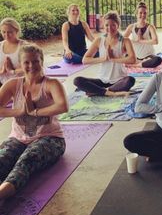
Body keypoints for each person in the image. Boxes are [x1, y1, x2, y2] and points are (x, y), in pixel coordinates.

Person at [0, 44, 68, 200]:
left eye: (36, 61)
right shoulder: (12, 85)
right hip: (18, 138)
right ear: (20, 64)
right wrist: (19, 111)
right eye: (27, 62)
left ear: (42, 61)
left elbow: (63, 106)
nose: (31, 66)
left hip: (50, 138)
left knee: (25, 162)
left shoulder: (51, 84)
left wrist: (35, 111)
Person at [73, 11, 136, 97]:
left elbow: (133, 59)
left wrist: (113, 59)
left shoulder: (125, 41)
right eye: (106, 25)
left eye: (113, 25)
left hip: (119, 80)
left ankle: (98, 91)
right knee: (77, 80)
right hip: (102, 80)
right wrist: (103, 58)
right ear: (103, 26)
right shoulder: (99, 40)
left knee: (130, 80)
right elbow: (85, 60)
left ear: (118, 25)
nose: (109, 28)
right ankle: (108, 92)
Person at [124, 1, 162, 68]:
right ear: (136, 14)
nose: (143, 15)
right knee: (121, 57)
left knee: (158, 59)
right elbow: (122, 40)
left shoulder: (150, 27)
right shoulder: (131, 27)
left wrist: (141, 40)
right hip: (135, 57)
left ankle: (138, 65)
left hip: (148, 57)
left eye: (145, 13)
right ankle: (139, 63)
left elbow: (155, 41)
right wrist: (132, 42)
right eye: (140, 13)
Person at [0, 18, 25, 87]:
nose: (6, 35)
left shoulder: (24, 46)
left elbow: (31, 67)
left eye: (10, 32)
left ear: (16, 31)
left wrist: (12, 71)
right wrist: (2, 71)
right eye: (4, 32)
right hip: (2, 84)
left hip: (21, 84)